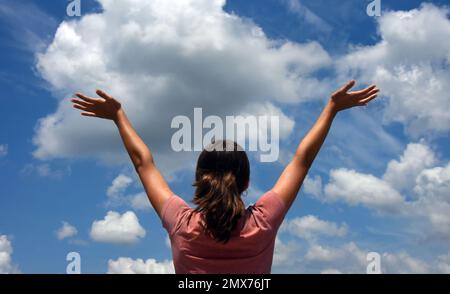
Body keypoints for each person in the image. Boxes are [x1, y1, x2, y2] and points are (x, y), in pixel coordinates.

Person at [71, 80, 379, 273]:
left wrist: (118, 117)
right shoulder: (262, 222)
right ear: (245, 183)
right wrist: (332, 109)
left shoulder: (181, 222)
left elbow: (143, 163)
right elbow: (303, 160)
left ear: (199, 178)